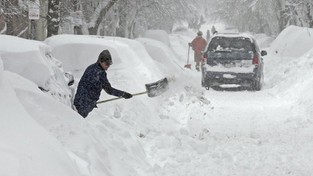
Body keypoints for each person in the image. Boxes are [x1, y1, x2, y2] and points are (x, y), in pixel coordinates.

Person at [74, 49, 133, 118]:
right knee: (77, 122)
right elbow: (109, 90)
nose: (108, 66)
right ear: (101, 61)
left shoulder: (91, 67)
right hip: (84, 104)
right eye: (107, 63)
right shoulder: (100, 73)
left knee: (76, 119)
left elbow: (88, 86)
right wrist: (123, 94)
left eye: (109, 64)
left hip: (79, 100)